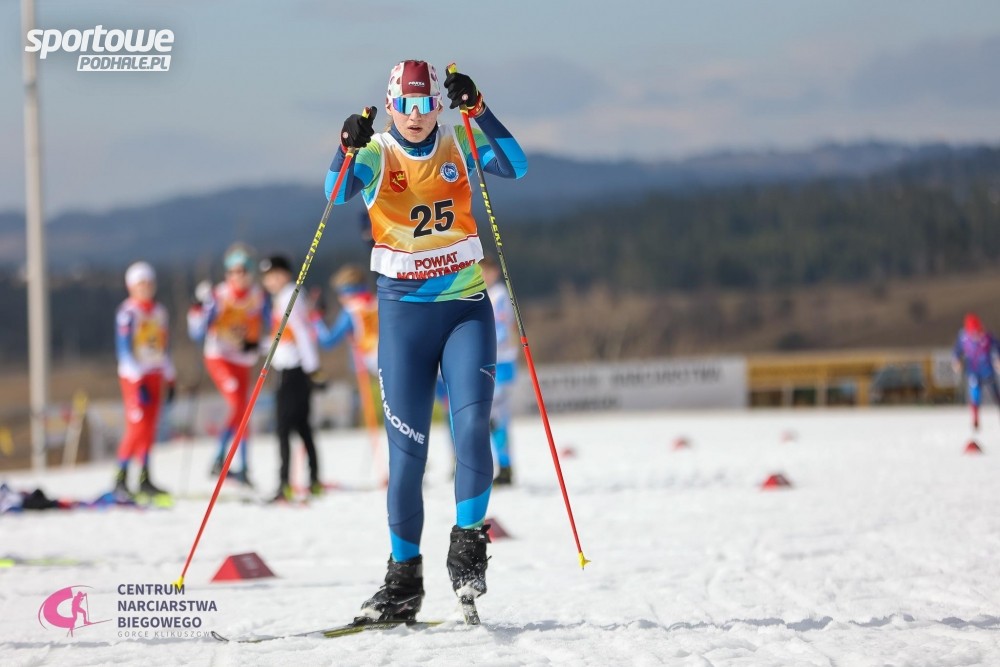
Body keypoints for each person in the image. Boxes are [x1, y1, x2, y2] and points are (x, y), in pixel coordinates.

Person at [326, 59, 527, 622]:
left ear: (437, 105)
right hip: (404, 320)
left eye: (424, 105)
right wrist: (345, 148)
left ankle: (468, 546)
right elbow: (335, 193)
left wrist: (479, 110)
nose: (414, 116)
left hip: (465, 311)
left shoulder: (459, 144)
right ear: (391, 107)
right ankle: (403, 580)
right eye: (404, 106)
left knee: (472, 426)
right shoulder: (377, 154)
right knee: (407, 455)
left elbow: (516, 165)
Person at [187, 244, 269, 485]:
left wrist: (257, 345)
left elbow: (273, 325)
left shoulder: (258, 296)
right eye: (232, 271)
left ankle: (243, 467)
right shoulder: (219, 296)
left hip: (242, 360)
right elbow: (198, 332)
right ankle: (219, 458)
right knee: (237, 405)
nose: (237, 276)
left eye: (242, 271)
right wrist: (197, 307)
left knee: (244, 412)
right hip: (219, 357)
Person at [259, 254, 323, 501]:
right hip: (289, 367)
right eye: (267, 277)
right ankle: (313, 479)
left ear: (285, 274)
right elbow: (282, 337)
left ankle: (285, 484)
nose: (270, 281)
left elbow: (303, 333)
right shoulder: (284, 296)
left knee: (285, 427)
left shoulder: (289, 296)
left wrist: (312, 368)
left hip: (293, 370)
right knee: (300, 426)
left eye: (275, 276)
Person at [113, 261, 176, 502]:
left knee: (150, 427)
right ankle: (120, 477)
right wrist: (137, 379)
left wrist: (170, 375)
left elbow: (163, 347)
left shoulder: (159, 312)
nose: (145, 288)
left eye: (148, 283)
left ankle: (144, 476)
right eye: (140, 284)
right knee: (137, 426)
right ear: (131, 286)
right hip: (134, 377)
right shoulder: (127, 313)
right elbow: (124, 350)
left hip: (155, 373)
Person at [480, 257, 518, 486]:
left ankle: (505, 465)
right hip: (489, 361)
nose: (483, 276)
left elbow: (502, 328)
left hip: (501, 362)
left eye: (486, 272)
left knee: (496, 416)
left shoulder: (499, 294)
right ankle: (501, 464)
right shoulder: (483, 294)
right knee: (490, 417)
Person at [952, 312, 1000, 431]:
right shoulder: (963, 338)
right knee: (975, 394)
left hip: (987, 370)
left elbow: (997, 347)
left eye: (977, 331)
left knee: (995, 394)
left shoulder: (987, 337)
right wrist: (956, 361)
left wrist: (998, 359)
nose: (976, 334)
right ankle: (975, 417)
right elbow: (957, 350)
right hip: (973, 371)